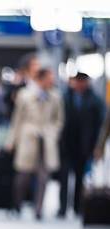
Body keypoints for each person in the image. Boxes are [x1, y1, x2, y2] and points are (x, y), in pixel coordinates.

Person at [6, 68, 64, 220]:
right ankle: (17, 205)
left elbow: (59, 120)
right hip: (28, 140)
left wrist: (52, 132)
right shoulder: (24, 95)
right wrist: (12, 141)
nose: (52, 81)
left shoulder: (55, 97)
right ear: (41, 79)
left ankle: (38, 209)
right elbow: (17, 119)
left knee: (43, 177)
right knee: (23, 176)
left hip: (47, 142)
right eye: (49, 78)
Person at [58, 72, 104, 217]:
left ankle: (78, 207)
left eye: (82, 81)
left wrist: (96, 146)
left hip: (84, 146)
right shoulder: (65, 97)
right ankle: (62, 208)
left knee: (80, 178)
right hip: (66, 144)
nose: (79, 84)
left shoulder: (94, 100)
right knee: (63, 178)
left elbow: (100, 124)